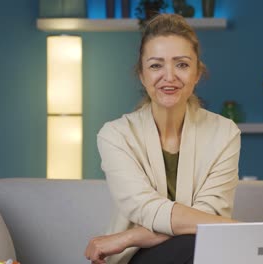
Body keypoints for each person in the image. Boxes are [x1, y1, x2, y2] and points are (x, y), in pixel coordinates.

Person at [84, 13, 241, 264]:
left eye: (181, 64)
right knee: (197, 242)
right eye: (156, 65)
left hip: (196, 251)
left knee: (198, 242)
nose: (169, 77)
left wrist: (128, 237)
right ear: (142, 74)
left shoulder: (225, 133)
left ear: (197, 73)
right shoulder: (115, 135)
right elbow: (150, 211)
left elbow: (208, 218)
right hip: (135, 259)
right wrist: (228, 226)